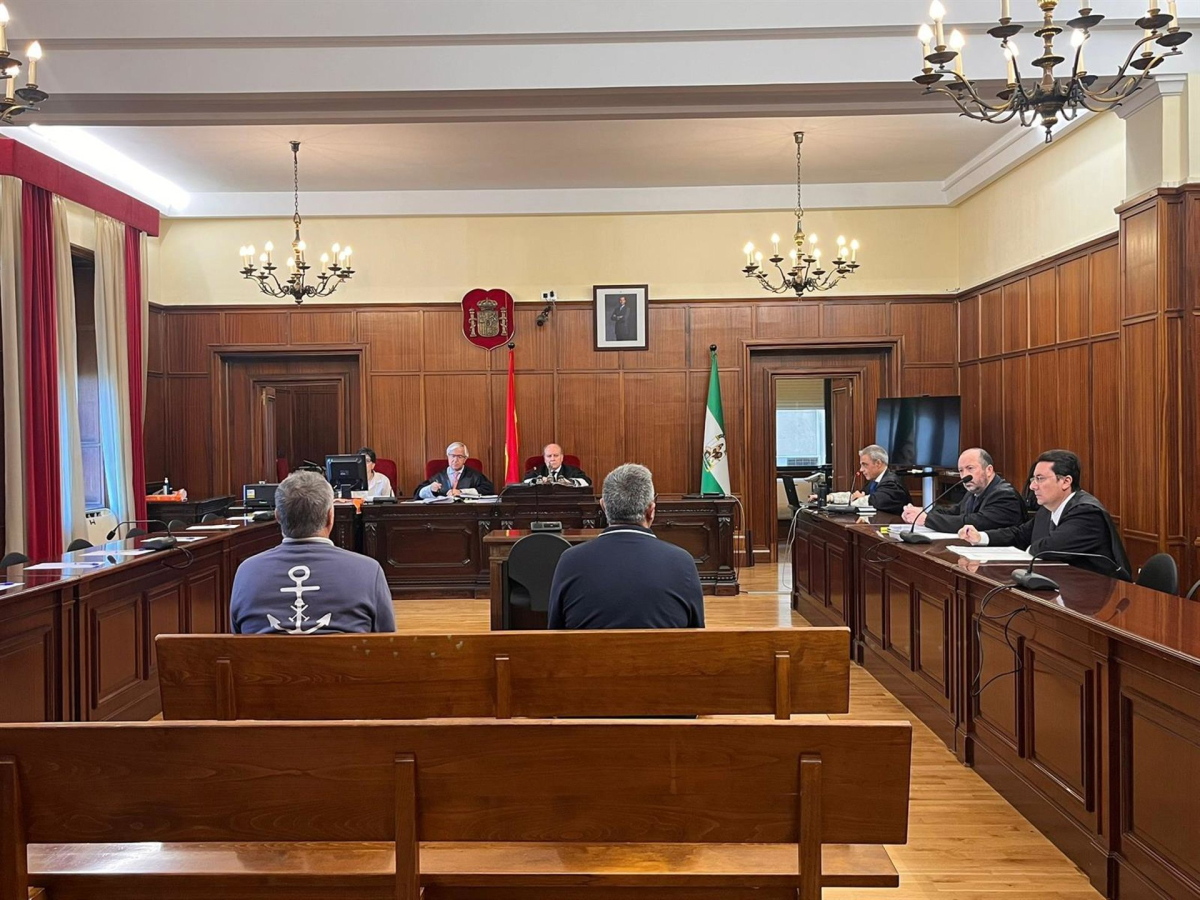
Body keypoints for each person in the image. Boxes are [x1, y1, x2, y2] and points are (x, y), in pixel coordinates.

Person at [230, 471, 395, 634]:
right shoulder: (368, 571)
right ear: (330, 516)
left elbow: (237, 634)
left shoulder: (247, 571)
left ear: (278, 516)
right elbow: (386, 639)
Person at [548, 463, 704, 629]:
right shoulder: (681, 562)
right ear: (651, 510)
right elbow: (696, 632)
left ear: (603, 506)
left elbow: (554, 631)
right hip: (662, 647)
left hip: (589, 648)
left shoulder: (570, 560)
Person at [958, 449, 1131, 580]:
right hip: (1065, 586)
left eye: (1040, 479)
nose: (1032, 486)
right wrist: (981, 537)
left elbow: (1049, 548)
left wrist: (1026, 551)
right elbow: (1020, 534)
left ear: (1066, 481)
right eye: (1033, 479)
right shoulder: (1048, 509)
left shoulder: (1087, 513)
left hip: (1094, 596)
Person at [901, 447, 1025, 533]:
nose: (964, 476)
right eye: (961, 471)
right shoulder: (973, 492)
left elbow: (974, 522)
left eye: (970, 468)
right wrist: (922, 513)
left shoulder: (1004, 495)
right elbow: (953, 512)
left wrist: (927, 519)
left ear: (989, 470)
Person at [415, 442, 495, 498]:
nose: (455, 460)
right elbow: (417, 494)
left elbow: (489, 490)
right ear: (448, 456)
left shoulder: (474, 475)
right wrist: (430, 489)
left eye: (460, 457)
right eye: (452, 456)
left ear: (465, 459)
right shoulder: (438, 477)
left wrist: (462, 492)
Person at [852, 444, 909, 514]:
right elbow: (860, 494)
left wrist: (859, 499)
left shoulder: (892, 484)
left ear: (878, 463)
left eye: (865, 465)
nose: (861, 469)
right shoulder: (873, 482)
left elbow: (876, 502)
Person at [523, 442, 592, 486]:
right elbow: (525, 481)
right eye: (549, 456)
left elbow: (586, 481)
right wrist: (539, 480)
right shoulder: (537, 470)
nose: (552, 459)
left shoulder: (572, 470)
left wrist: (569, 482)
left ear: (561, 457)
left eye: (556, 455)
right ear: (544, 458)